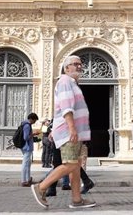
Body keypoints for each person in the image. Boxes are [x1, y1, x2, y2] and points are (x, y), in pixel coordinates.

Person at [30, 55, 95, 209]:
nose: (79, 67)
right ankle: (41, 187)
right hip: (69, 131)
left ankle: (77, 200)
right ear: (66, 68)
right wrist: (71, 127)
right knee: (70, 164)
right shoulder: (65, 81)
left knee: (75, 165)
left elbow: (60, 108)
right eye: (75, 64)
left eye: (80, 64)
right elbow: (66, 107)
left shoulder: (71, 83)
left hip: (74, 131)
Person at [20, 112, 39, 186]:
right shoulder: (27, 126)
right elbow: (26, 137)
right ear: (31, 119)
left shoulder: (26, 124)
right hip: (27, 147)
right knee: (25, 163)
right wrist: (34, 134)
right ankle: (24, 180)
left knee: (28, 163)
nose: (34, 122)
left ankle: (28, 179)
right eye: (34, 120)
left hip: (27, 147)